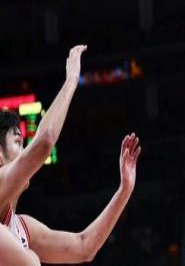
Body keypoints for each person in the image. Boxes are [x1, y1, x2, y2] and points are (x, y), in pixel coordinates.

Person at [0, 45, 142, 265]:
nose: (25, 151)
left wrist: (124, 191)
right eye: (18, 142)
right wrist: (71, 80)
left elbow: (83, 247)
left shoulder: (23, 227)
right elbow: (45, 141)